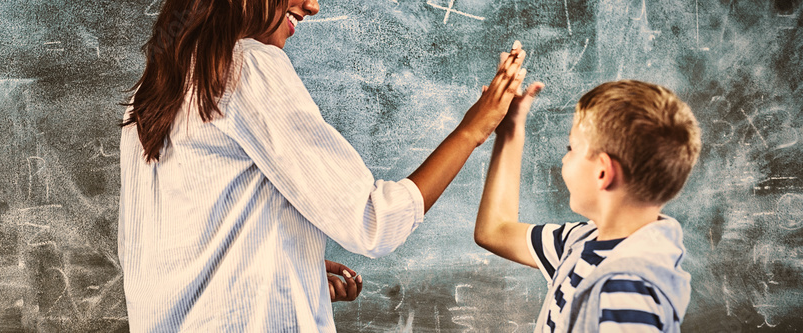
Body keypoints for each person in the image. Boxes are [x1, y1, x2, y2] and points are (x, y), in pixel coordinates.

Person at [118, 0, 531, 330]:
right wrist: (473, 129)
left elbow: (175, 256)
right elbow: (374, 222)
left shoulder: (151, 94)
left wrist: (295, 269)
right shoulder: (249, 68)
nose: (313, 6)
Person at [474, 79, 701, 332]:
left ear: (602, 172)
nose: (564, 157)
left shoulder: (627, 291)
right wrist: (511, 130)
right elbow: (494, 231)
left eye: (571, 148)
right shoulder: (580, 242)